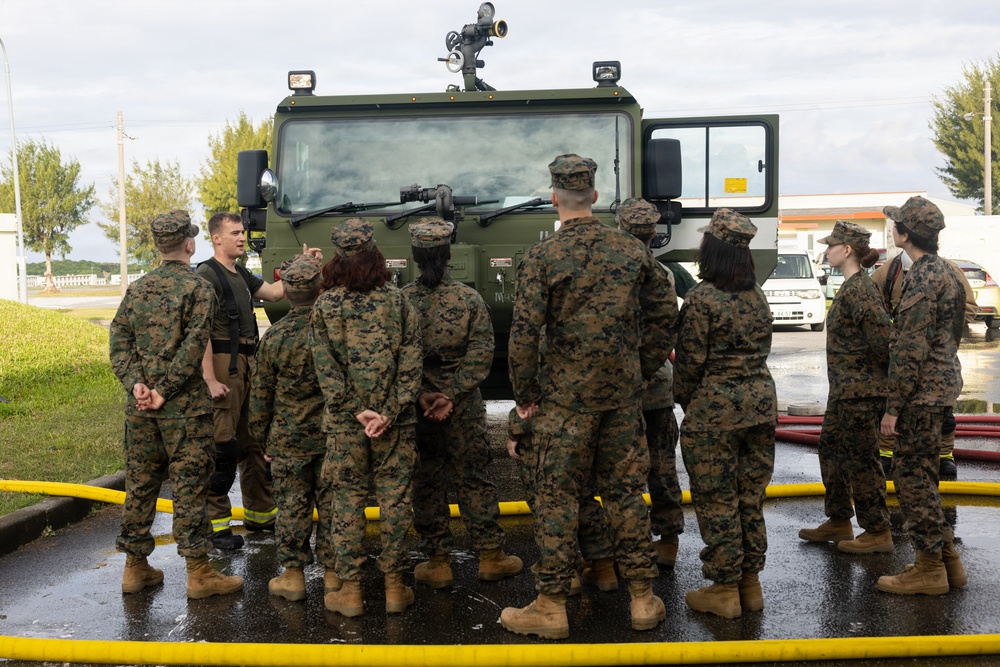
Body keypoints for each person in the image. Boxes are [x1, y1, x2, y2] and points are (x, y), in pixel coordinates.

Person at [502, 154, 678, 639]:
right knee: (625, 494)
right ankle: (642, 600)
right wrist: (639, 369)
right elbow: (665, 315)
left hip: (564, 401)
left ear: (554, 199)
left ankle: (552, 606)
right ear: (596, 197)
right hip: (622, 398)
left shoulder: (542, 257)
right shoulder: (631, 251)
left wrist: (526, 399)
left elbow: (522, 335)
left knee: (557, 497)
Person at [110, 210, 244, 599]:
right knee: (189, 487)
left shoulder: (138, 288)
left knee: (140, 484)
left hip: (140, 410)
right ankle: (199, 574)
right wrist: (164, 391)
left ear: (158, 245)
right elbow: (192, 348)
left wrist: (137, 384)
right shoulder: (199, 288)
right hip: (183, 411)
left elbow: (119, 341)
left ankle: (135, 568)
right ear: (190, 243)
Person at [401, 218, 523, 588]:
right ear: (449, 253)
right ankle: (490, 557)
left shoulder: (401, 301)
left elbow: (399, 355)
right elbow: (483, 352)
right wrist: (451, 395)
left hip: (419, 408)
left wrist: (424, 393)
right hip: (463, 407)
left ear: (415, 256)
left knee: (426, 479)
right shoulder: (470, 299)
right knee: (474, 479)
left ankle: (438, 562)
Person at [311, 218, 423, 617]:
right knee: (395, 501)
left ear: (337, 257)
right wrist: (389, 411)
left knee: (347, 501)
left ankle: (352, 592)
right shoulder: (398, 301)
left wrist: (356, 410)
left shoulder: (325, 305)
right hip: (395, 424)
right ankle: (395, 588)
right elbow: (412, 362)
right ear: (375, 253)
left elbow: (325, 368)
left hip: (346, 424)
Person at [674, 208, 776, 619]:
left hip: (715, 411)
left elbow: (689, 364)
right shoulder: (757, 293)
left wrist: (685, 399)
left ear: (712, 249)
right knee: (749, 498)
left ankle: (723, 588)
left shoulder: (702, 299)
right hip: (760, 406)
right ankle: (749, 584)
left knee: (716, 500)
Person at [877, 196, 967, 595]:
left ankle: (929, 569)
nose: (892, 227)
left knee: (913, 482)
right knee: (926, 478)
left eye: (895, 223)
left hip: (920, 396)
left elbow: (909, 349)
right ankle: (948, 562)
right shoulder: (945, 272)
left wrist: (893, 409)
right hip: (940, 387)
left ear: (905, 233)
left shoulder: (922, 278)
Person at [799, 220, 893, 554]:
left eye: (831, 245)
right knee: (831, 449)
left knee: (861, 458)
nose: (826, 251)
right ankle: (839, 519)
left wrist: (888, 395)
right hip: (843, 393)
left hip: (862, 394)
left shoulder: (862, 291)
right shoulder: (849, 287)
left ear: (847, 249)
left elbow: (885, 344)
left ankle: (877, 530)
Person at [197, 212, 287, 550]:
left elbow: (276, 293)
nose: (241, 237)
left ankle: (261, 515)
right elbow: (200, 328)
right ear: (216, 238)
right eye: (234, 233)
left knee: (253, 440)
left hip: (248, 363)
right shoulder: (209, 273)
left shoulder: (241, 273)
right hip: (223, 364)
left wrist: (304, 265)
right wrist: (208, 378)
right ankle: (216, 528)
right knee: (223, 445)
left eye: (242, 232)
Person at [248, 253, 335, 602]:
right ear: (320, 287)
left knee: (292, 506)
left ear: (286, 291)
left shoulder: (275, 337)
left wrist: (261, 437)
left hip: (287, 439)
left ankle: (293, 577)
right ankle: (334, 575)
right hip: (332, 436)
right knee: (333, 505)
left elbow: (260, 397)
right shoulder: (333, 331)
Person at [872, 244, 978, 479]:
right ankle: (887, 451)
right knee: (892, 401)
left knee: (943, 410)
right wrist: (897, 332)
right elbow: (871, 305)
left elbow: (968, 308)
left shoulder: (948, 270)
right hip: (900, 355)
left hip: (936, 359)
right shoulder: (889, 271)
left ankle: (943, 454)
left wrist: (938, 332)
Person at [617, 198, 684, 567]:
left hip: (619, 387)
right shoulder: (664, 274)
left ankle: (625, 542)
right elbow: (668, 331)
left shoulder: (608, 274)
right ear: (654, 234)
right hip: (656, 384)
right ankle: (668, 539)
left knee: (619, 470)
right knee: (661, 466)